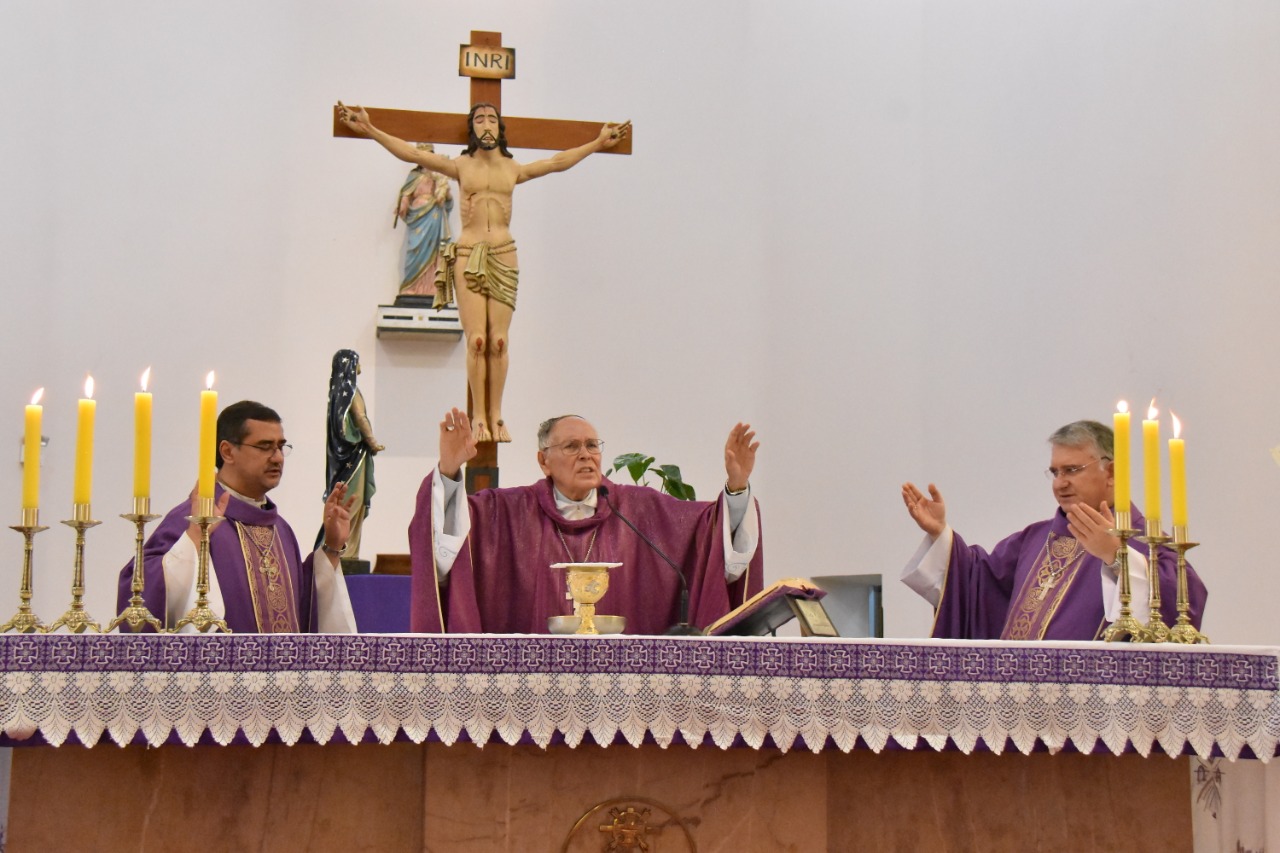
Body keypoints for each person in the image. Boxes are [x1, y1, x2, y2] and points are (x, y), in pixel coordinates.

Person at [338, 101, 630, 444]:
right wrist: (370, 129)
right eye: (479, 119)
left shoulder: (512, 168)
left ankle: (497, 414)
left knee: (499, 341)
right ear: (472, 128)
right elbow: (409, 154)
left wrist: (597, 143)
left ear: (500, 127)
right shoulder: (460, 166)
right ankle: (479, 415)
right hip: (468, 253)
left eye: (492, 118)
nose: (486, 124)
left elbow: (555, 162)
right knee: (477, 341)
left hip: (504, 254)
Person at [408, 408, 763, 634]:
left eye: (593, 446)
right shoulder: (508, 513)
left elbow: (708, 535)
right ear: (543, 461)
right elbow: (448, 545)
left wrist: (736, 488)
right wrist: (449, 471)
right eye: (572, 447)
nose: (586, 456)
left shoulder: (639, 511)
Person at [900, 420, 1207, 641]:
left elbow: (1183, 600)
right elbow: (975, 583)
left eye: (1072, 470)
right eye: (1055, 472)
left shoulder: (1146, 544)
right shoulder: (1032, 540)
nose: (1060, 483)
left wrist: (1118, 556)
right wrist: (941, 534)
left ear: (1111, 472)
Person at [116, 401, 357, 633]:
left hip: (284, 675)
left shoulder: (281, 530)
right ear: (227, 451)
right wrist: (193, 540)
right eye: (264, 446)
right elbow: (139, 597)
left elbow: (304, 609)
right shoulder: (192, 520)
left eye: (280, 446)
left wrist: (332, 548)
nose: (277, 458)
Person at [319, 350, 383, 560]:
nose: (360, 368)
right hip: (353, 456)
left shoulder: (335, 392)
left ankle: (346, 550)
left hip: (340, 457)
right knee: (352, 502)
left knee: (346, 501)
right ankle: (344, 549)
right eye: (357, 364)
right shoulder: (350, 391)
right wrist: (372, 442)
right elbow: (361, 417)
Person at [395, 143, 453, 302]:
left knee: (434, 252)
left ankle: (431, 288)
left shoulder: (439, 175)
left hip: (434, 215)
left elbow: (449, 204)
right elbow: (406, 193)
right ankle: (411, 287)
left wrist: (445, 193)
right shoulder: (414, 175)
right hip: (418, 217)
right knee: (415, 249)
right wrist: (404, 202)